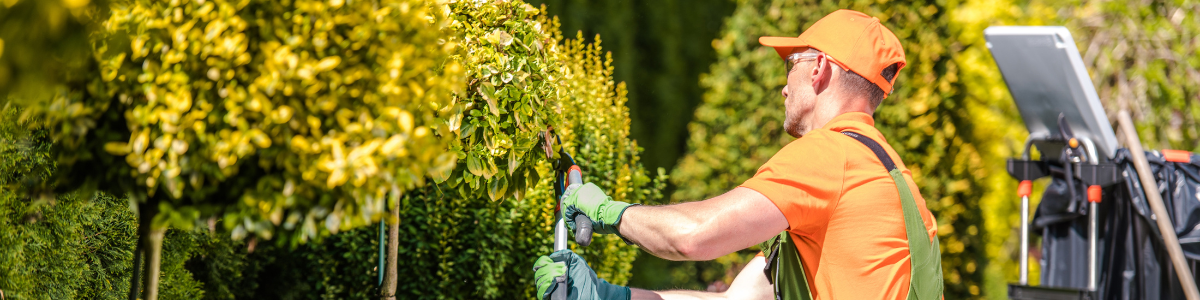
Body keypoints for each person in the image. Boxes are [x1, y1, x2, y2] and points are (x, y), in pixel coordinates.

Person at [533, 9, 944, 300]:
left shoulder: (831, 156)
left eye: (791, 67)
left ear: (819, 68)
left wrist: (610, 212)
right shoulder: (890, 176)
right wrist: (610, 297)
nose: (784, 88)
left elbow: (693, 237)